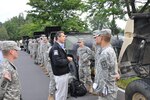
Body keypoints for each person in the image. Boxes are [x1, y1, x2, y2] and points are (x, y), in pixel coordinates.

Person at [92, 29, 120, 100]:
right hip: (110, 88)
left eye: (97, 36)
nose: (95, 38)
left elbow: (103, 75)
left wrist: (99, 90)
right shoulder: (109, 49)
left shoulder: (105, 53)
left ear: (102, 37)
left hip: (106, 91)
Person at [49, 31, 72, 100]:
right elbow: (57, 62)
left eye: (65, 36)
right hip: (60, 74)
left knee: (64, 93)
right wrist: (68, 60)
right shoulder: (55, 48)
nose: (65, 37)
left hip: (63, 72)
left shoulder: (59, 46)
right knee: (60, 93)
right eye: (63, 36)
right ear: (58, 37)